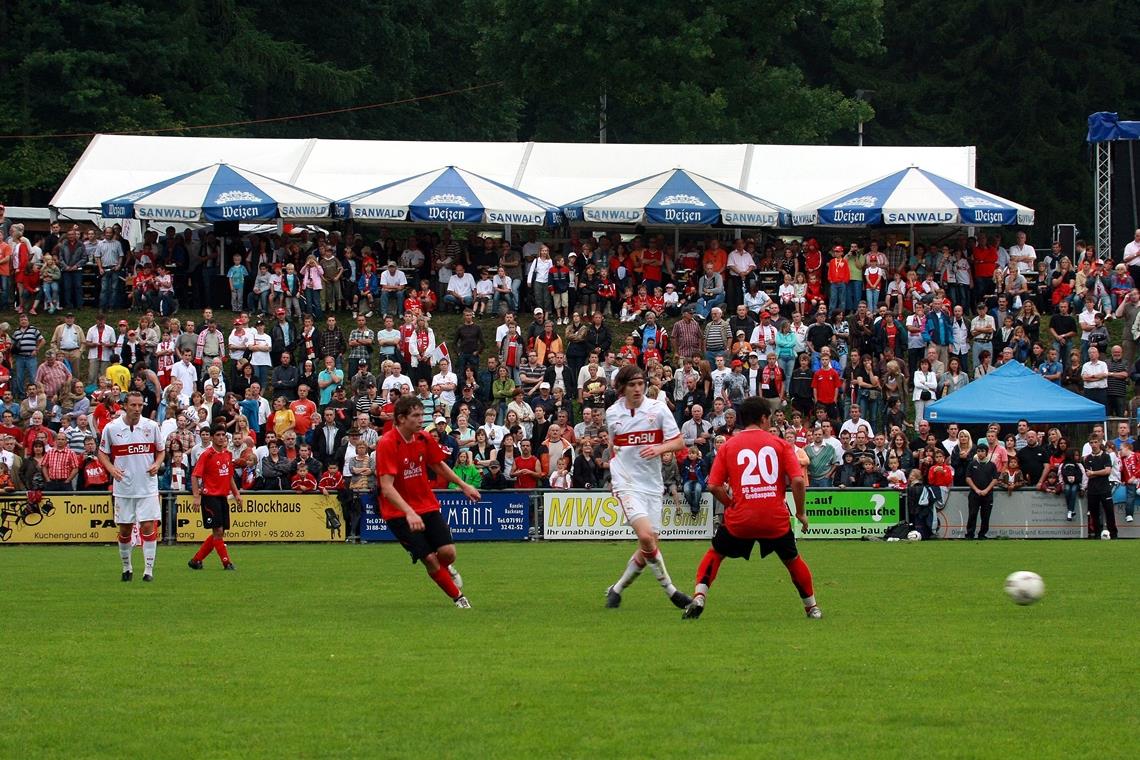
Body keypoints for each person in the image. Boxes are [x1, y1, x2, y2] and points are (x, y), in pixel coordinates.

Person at [681, 396, 820, 620]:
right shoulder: (780, 444)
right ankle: (812, 607)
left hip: (741, 519)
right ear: (764, 418)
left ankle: (699, 596)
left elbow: (713, 485)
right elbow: (797, 481)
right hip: (774, 518)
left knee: (716, 553)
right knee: (792, 560)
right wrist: (801, 513)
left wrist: (730, 505)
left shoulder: (728, 446)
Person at [375, 396, 480, 608]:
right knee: (430, 559)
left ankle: (446, 569)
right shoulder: (387, 443)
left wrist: (464, 485)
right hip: (398, 513)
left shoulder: (423, 438)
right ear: (401, 418)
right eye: (416, 416)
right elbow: (386, 487)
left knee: (448, 553)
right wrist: (408, 512)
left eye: (422, 415)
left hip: (426, 504)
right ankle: (459, 598)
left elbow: (438, 465)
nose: (421, 420)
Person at [603, 364, 691, 611]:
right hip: (627, 483)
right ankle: (672, 592)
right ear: (622, 388)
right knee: (645, 537)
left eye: (641, 383)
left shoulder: (658, 409)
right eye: (632, 384)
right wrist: (615, 476)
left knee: (650, 544)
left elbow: (679, 442)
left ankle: (617, 589)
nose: (638, 389)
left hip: (652, 484)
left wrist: (660, 448)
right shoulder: (613, 413)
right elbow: (613, 444)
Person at [97, 391, 164, 582]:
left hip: (147, 487)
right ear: (124, 406)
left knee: (147, 526)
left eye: (140, 405)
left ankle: (148, 571)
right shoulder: (111, 428)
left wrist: (157, 464)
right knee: (125, 529)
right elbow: (102, 453)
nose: (137, 409)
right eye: (133, 405)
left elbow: (161, 451)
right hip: (124, 487)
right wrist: (111, 469)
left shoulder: (151, 427)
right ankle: (127, 567)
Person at [187, 424, 243, 571]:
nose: (220, 437)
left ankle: (196, 560)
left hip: (222, 497)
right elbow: (195, 476)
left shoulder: (228, 454)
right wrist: (196, 496)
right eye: (217, 435)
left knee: (220, 532)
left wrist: (237, 494)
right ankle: (227, 563)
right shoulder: (207, 454)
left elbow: (229, 476)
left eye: (222, 435)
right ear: (212, 437)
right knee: (217, 530)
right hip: (209, 497)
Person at [964, 440, 998, 540]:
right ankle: (970, 534)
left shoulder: (992, 465)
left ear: (986, 452)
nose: (980, 453)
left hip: (988, 494)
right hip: (974, 494)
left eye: (982, 451)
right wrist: (976, 489)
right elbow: (968, 478)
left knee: (985, 515)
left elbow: (995, 479)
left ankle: (982, 534)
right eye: (978, 451)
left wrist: (986, 490)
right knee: (972, 514)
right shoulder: (972, 464)